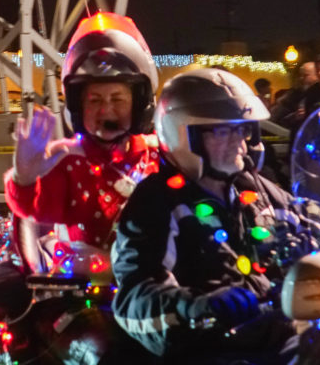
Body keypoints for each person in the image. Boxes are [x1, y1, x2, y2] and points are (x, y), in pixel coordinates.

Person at [112, 68, 299, 364]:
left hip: (281, 339)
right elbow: (134, 297)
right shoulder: (158, 201)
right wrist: (196, 306)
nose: (238, 142)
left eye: (242, 129)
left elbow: (309, 230)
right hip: (212, 349)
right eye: (223, 131)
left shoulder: (259, 191)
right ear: (183, 133)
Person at [5, 12, 159, 250]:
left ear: (139, 104)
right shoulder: (65, 157)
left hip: (155, 282)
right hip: (77, 282)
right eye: (95, 100)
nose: (106, 110)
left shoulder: (162, 154)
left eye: (117, 99)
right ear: (79, 107)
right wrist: (24, 177)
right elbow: (35, 208)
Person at [269, 61, 317, 131]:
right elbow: (276, 119)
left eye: (306, 75)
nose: (301, 78)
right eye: (300, 75)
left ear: (317, 76)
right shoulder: (293, 96)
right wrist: (295, 116)